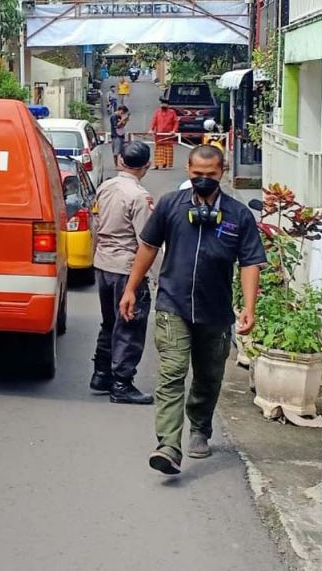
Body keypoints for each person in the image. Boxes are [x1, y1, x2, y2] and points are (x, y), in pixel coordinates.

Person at [120, 145, 266, 475]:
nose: (203, 180)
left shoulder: (238, 214)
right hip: (173, 305)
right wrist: (131, 287)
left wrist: (249, 307)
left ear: (222, 173)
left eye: (210, 176)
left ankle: (200, 427)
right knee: (171, 374)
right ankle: (168, 445)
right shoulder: (171, 205)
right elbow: (148, 247)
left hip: (215, 312)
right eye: (197, 175)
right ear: (188, 170)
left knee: (208, 376)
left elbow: (250, 263)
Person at [90, 141, 155, 405]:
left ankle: (101, 374)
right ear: (147, 166)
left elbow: (95, 224)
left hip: (104, 263)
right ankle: (121, 384)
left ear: (119, 161)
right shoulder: (140, 197)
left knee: (109, 322)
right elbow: (147, 242)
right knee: (129, 325)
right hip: (127, 268)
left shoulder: (105, 187)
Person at [150, 100, 180, 170]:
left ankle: (165, 164)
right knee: (158, 150)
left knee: (167, 149)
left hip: (168, 134)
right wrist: (151, 129)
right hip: (159, 134)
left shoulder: (172, 112)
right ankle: (156, 165)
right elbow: (154, 121)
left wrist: (174, 130)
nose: (163, 105)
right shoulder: (157, 112)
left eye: (165, 104)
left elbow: (176, 122)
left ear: (168, 105)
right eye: (162, 104)